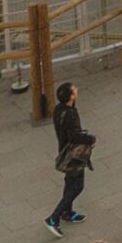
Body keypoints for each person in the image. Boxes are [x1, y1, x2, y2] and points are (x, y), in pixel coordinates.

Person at [44, 80, 93, 233]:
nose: (77, 90)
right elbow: (74, 136)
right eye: (74, 90)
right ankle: (54, 217)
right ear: (71, 96)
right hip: (74, 155)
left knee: (69, 182)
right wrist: (91, 139)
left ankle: (67, 212)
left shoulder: (59, 109)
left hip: (64, 151)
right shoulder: (70, 114)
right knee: (77, 186)